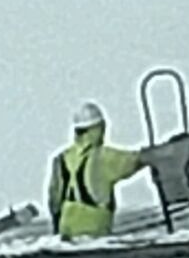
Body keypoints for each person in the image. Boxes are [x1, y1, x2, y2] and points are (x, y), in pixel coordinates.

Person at [46, 101, 148, 240]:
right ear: (98, 129)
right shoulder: (102, 157)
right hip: (94, 234)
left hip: (65, 232)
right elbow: (135, 160)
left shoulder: (60, 159)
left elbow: (54, 201)